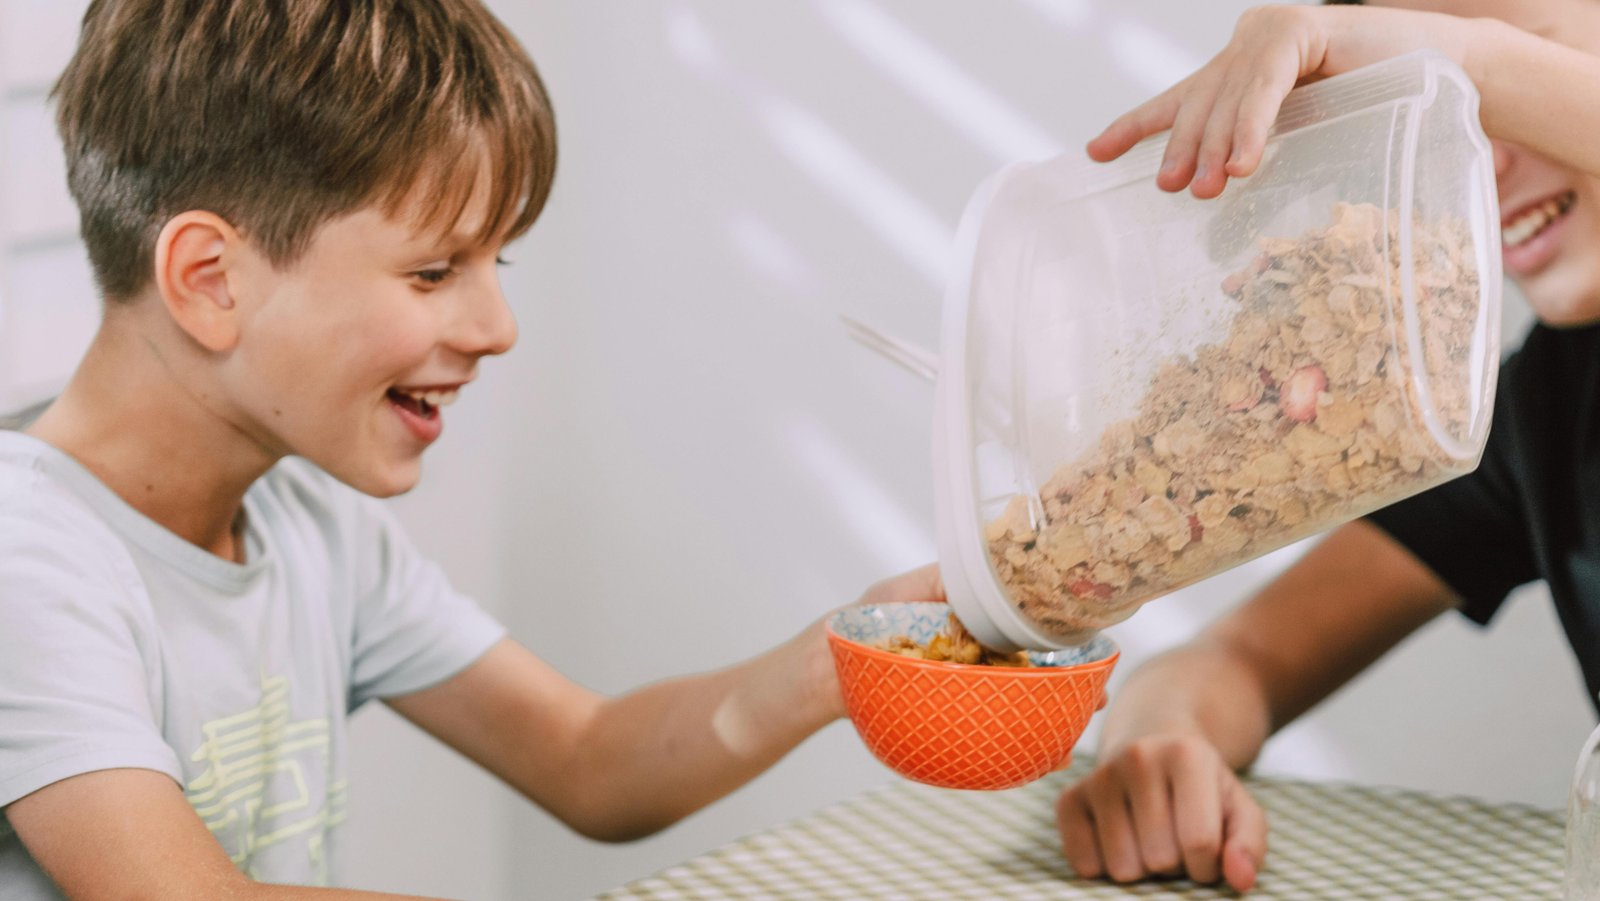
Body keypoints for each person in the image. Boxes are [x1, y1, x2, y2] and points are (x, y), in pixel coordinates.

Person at [0, 2, 943, 898]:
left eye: (499, 262)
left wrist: (843, 657)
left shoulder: (308, 523)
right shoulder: (28, 559)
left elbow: (590, 757)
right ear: (211, 280)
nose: (498, 327)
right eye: (433, 271)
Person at [1052, 0, 1600, 893]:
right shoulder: (1529, 412)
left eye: (1517, 57)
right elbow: (1242, 660)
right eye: (1440, 115)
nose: (1485, 155)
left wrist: (1470, 62)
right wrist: (1163, 741)